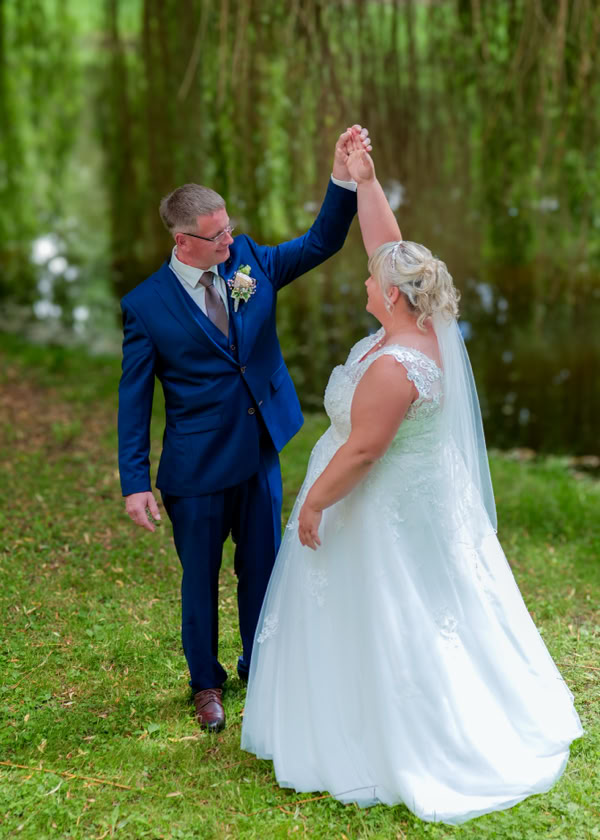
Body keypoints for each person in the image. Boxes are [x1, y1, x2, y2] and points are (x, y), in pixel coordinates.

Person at [241, 140, 583, 824]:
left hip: (381, 506)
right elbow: (389, 246)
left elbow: (365, 449)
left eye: (373, 282)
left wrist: (313, 503)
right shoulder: (431, 323)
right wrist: (364, 181)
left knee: (399, 612)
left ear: (393, 297)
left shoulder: (396, 366)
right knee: (443, 599)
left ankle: (392, 730)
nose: (364, 282)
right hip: (428, 497)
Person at [117, 125, 372, 732]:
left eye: (229, 227)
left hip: (259, 454)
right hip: (196, 470)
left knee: (263, 568)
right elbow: (133, 402)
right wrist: (134, 482)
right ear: (184, 243)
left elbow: (321, 241)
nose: (229, 240)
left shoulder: (249, 261)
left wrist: (342, 175)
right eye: (216, 236)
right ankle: (205, 682)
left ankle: (262, 666)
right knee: (200, 581)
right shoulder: (146, 306)